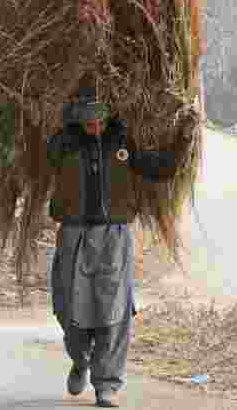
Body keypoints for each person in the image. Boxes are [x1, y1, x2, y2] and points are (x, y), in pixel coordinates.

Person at [47, 82, 197, 408]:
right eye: (88, 122)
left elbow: (161, 168)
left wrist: (183, 139)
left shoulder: (122, 143)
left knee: (114, 313)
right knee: (68, 310)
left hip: (114, 237)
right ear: (76, 118)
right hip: (73, 235)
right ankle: (80, 358)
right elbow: (37, 154)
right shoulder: (63, 145)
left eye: (100, 121)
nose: (95, 127)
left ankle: (107, 385)